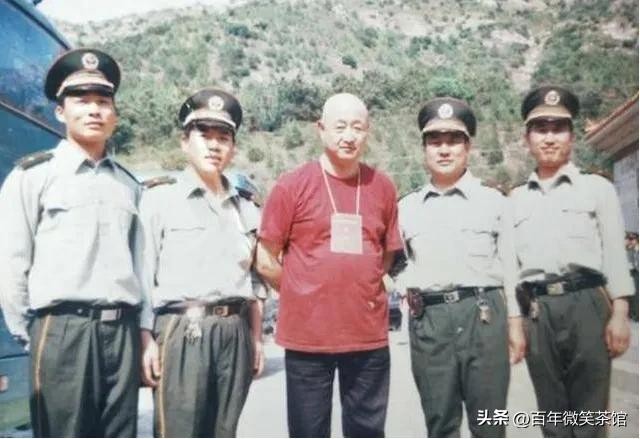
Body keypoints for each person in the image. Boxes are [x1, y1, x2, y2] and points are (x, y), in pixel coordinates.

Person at [0, 48, 151, 437]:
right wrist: (33, 332)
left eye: (103, 101)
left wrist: (143, 330)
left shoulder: (129, 185)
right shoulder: (32, 176)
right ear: (60, 112)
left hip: (122, 333)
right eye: (81, 100)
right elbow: (11, 261)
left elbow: (142, 265)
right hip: (61, 331)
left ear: (114, 114)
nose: (94, 110)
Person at [256, 93, 403, 437]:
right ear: (321, 129)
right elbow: (265, 259)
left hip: (367, 335)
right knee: (308, 431)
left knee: (367, 431)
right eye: (340, 126)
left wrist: (362, 285)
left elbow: (386, 253)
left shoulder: (381, 187)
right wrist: (301, 290)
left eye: (357, 127)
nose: (349, 136)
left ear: (367, 132)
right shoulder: (292, 185)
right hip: (308, 338)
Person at [138, 88, 266, 437]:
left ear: (233, 148)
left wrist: (256, 338)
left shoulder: (246, 208)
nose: (214, 146)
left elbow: (255, 282)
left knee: (225, 431)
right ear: (184, 142)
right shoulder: (160, 199)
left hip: (235, 332)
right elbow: (143, 274)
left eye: (223, 138)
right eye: (204, 136)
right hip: (182, 330)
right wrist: (145, 339)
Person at [395, 97, 525, 437]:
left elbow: (511, 269)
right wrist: (405, 288)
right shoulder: (405, 208)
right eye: (434, 141)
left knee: (490, 424)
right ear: (424, 149)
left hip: (483, 315)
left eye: (453, 140)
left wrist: (515, 324)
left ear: (468, 147)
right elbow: (394, 265)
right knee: (440, 423)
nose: (444, 149)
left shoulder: (495, 202)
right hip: (430, 321)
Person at [511, 85, 634, 437]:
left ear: (572, 136)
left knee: (590, 415)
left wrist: (621, 313)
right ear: (527, 138)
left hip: (588, 305)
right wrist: (516, 324)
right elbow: (509, 268)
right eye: (541, 129)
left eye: (559, 128)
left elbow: (615, 254)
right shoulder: (514, 199)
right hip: (538, 310)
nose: (550, 138)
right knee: (552, 417)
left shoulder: (597, 189)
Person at [625, 231, 639, 321]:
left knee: (636, 294)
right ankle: (631, 313)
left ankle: (636, 314)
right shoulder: (627, 249)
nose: (630, 241)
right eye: (629, 239)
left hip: (636, 273)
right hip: (627, 273)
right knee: (629, 294)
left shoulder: (637, 250)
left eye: (632, 239)